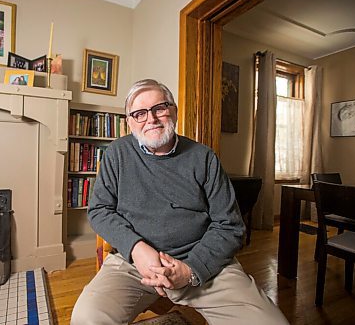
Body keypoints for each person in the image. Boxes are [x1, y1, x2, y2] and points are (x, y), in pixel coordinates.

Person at [71, 79, 289, 325]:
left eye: (159, 108)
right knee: (86, 319)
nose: (151, 119)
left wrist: (191, 270)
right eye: (139, 114)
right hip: (133, 265)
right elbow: (99, 210)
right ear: (129, 122)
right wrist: (136, 249)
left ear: (173, 111)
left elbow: (230, 226)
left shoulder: (204, 157)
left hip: (204, 264)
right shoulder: (116, 153)